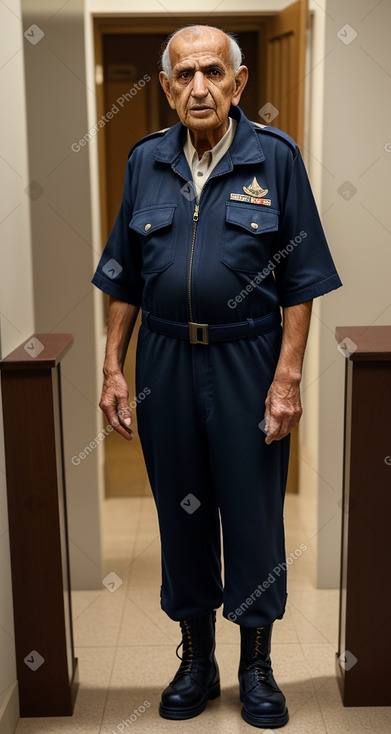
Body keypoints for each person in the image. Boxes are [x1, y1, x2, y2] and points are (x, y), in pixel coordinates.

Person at [92, 24, 342, 729]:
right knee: (180, 509)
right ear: (166, 87)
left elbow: (301, 280)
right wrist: (113, 365)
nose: (197, 86)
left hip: (246, 358)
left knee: (252, 512)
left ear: (238, 83)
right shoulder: (145, 161)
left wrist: (286, 376)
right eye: (182, 74)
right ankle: (195, 661)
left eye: (211, 71)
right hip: (165, 359)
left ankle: (255, 665)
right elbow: (124, 275)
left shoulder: (275, 158)